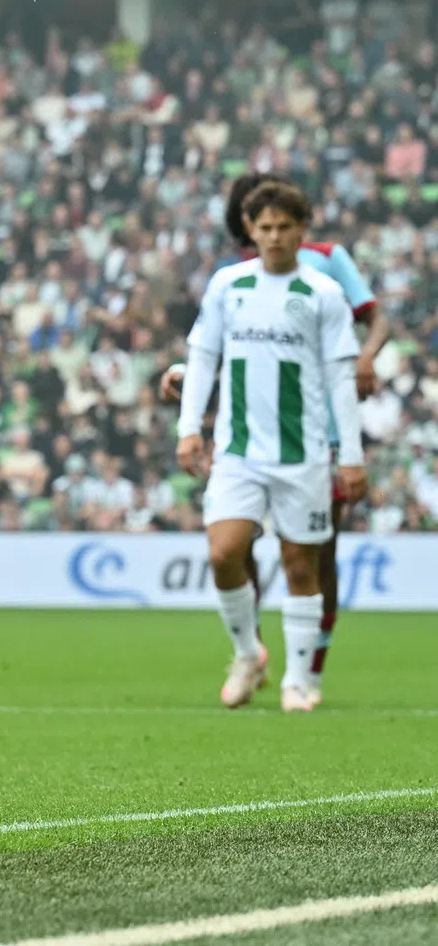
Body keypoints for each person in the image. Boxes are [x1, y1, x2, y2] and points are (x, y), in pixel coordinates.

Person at [160, 172, 388, 703]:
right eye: (265, 227)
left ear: (302, 229)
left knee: (301, 565)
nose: (275, 236)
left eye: (286, 226)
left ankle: (301, 679)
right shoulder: (228, 285)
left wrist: (350, 456)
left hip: (303, 453)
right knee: (224, 552)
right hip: (239, 452)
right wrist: (189, 429)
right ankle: (247, 653)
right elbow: (204, 357)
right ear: (250, 228)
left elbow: (339, 377)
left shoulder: (323, 291)